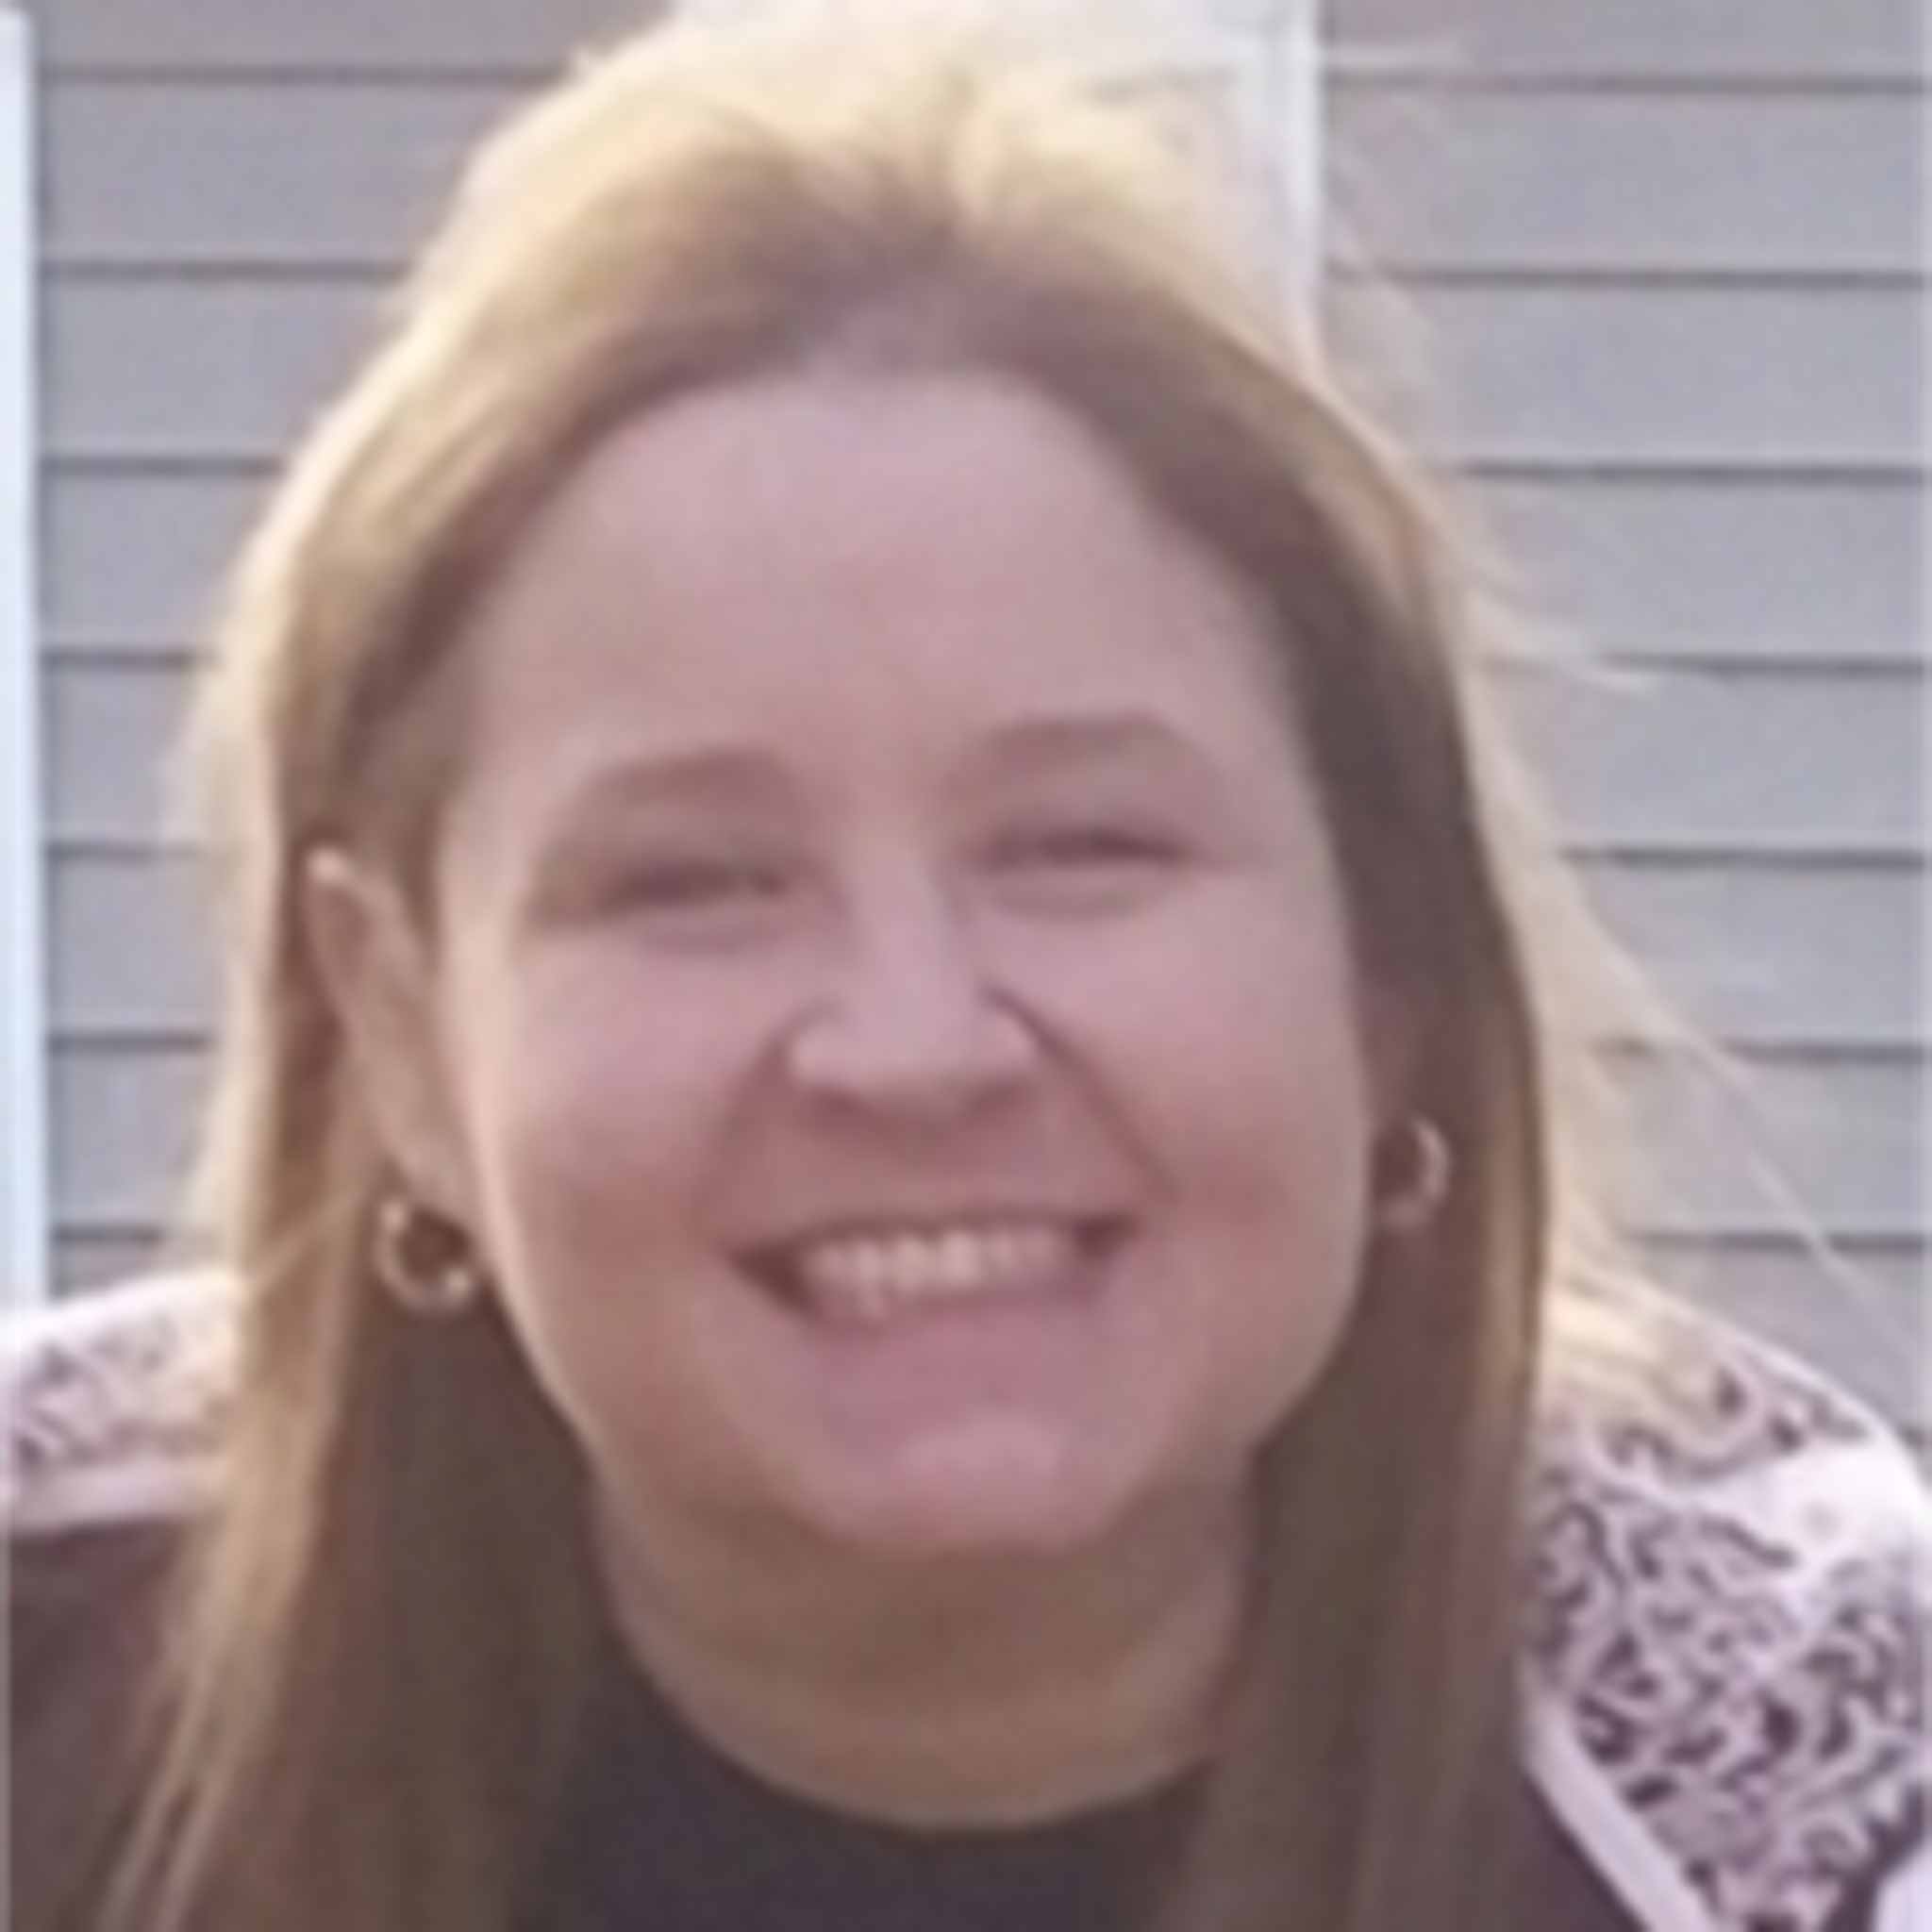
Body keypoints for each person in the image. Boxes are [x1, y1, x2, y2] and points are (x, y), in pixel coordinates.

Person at [2, 14, 1925, 1932]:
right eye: (696, 880)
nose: (910, 1045)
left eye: (1082, 847)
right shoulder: (46, 1637)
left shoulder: (1801, 1788)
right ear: (402, 1035)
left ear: (1389, 959)